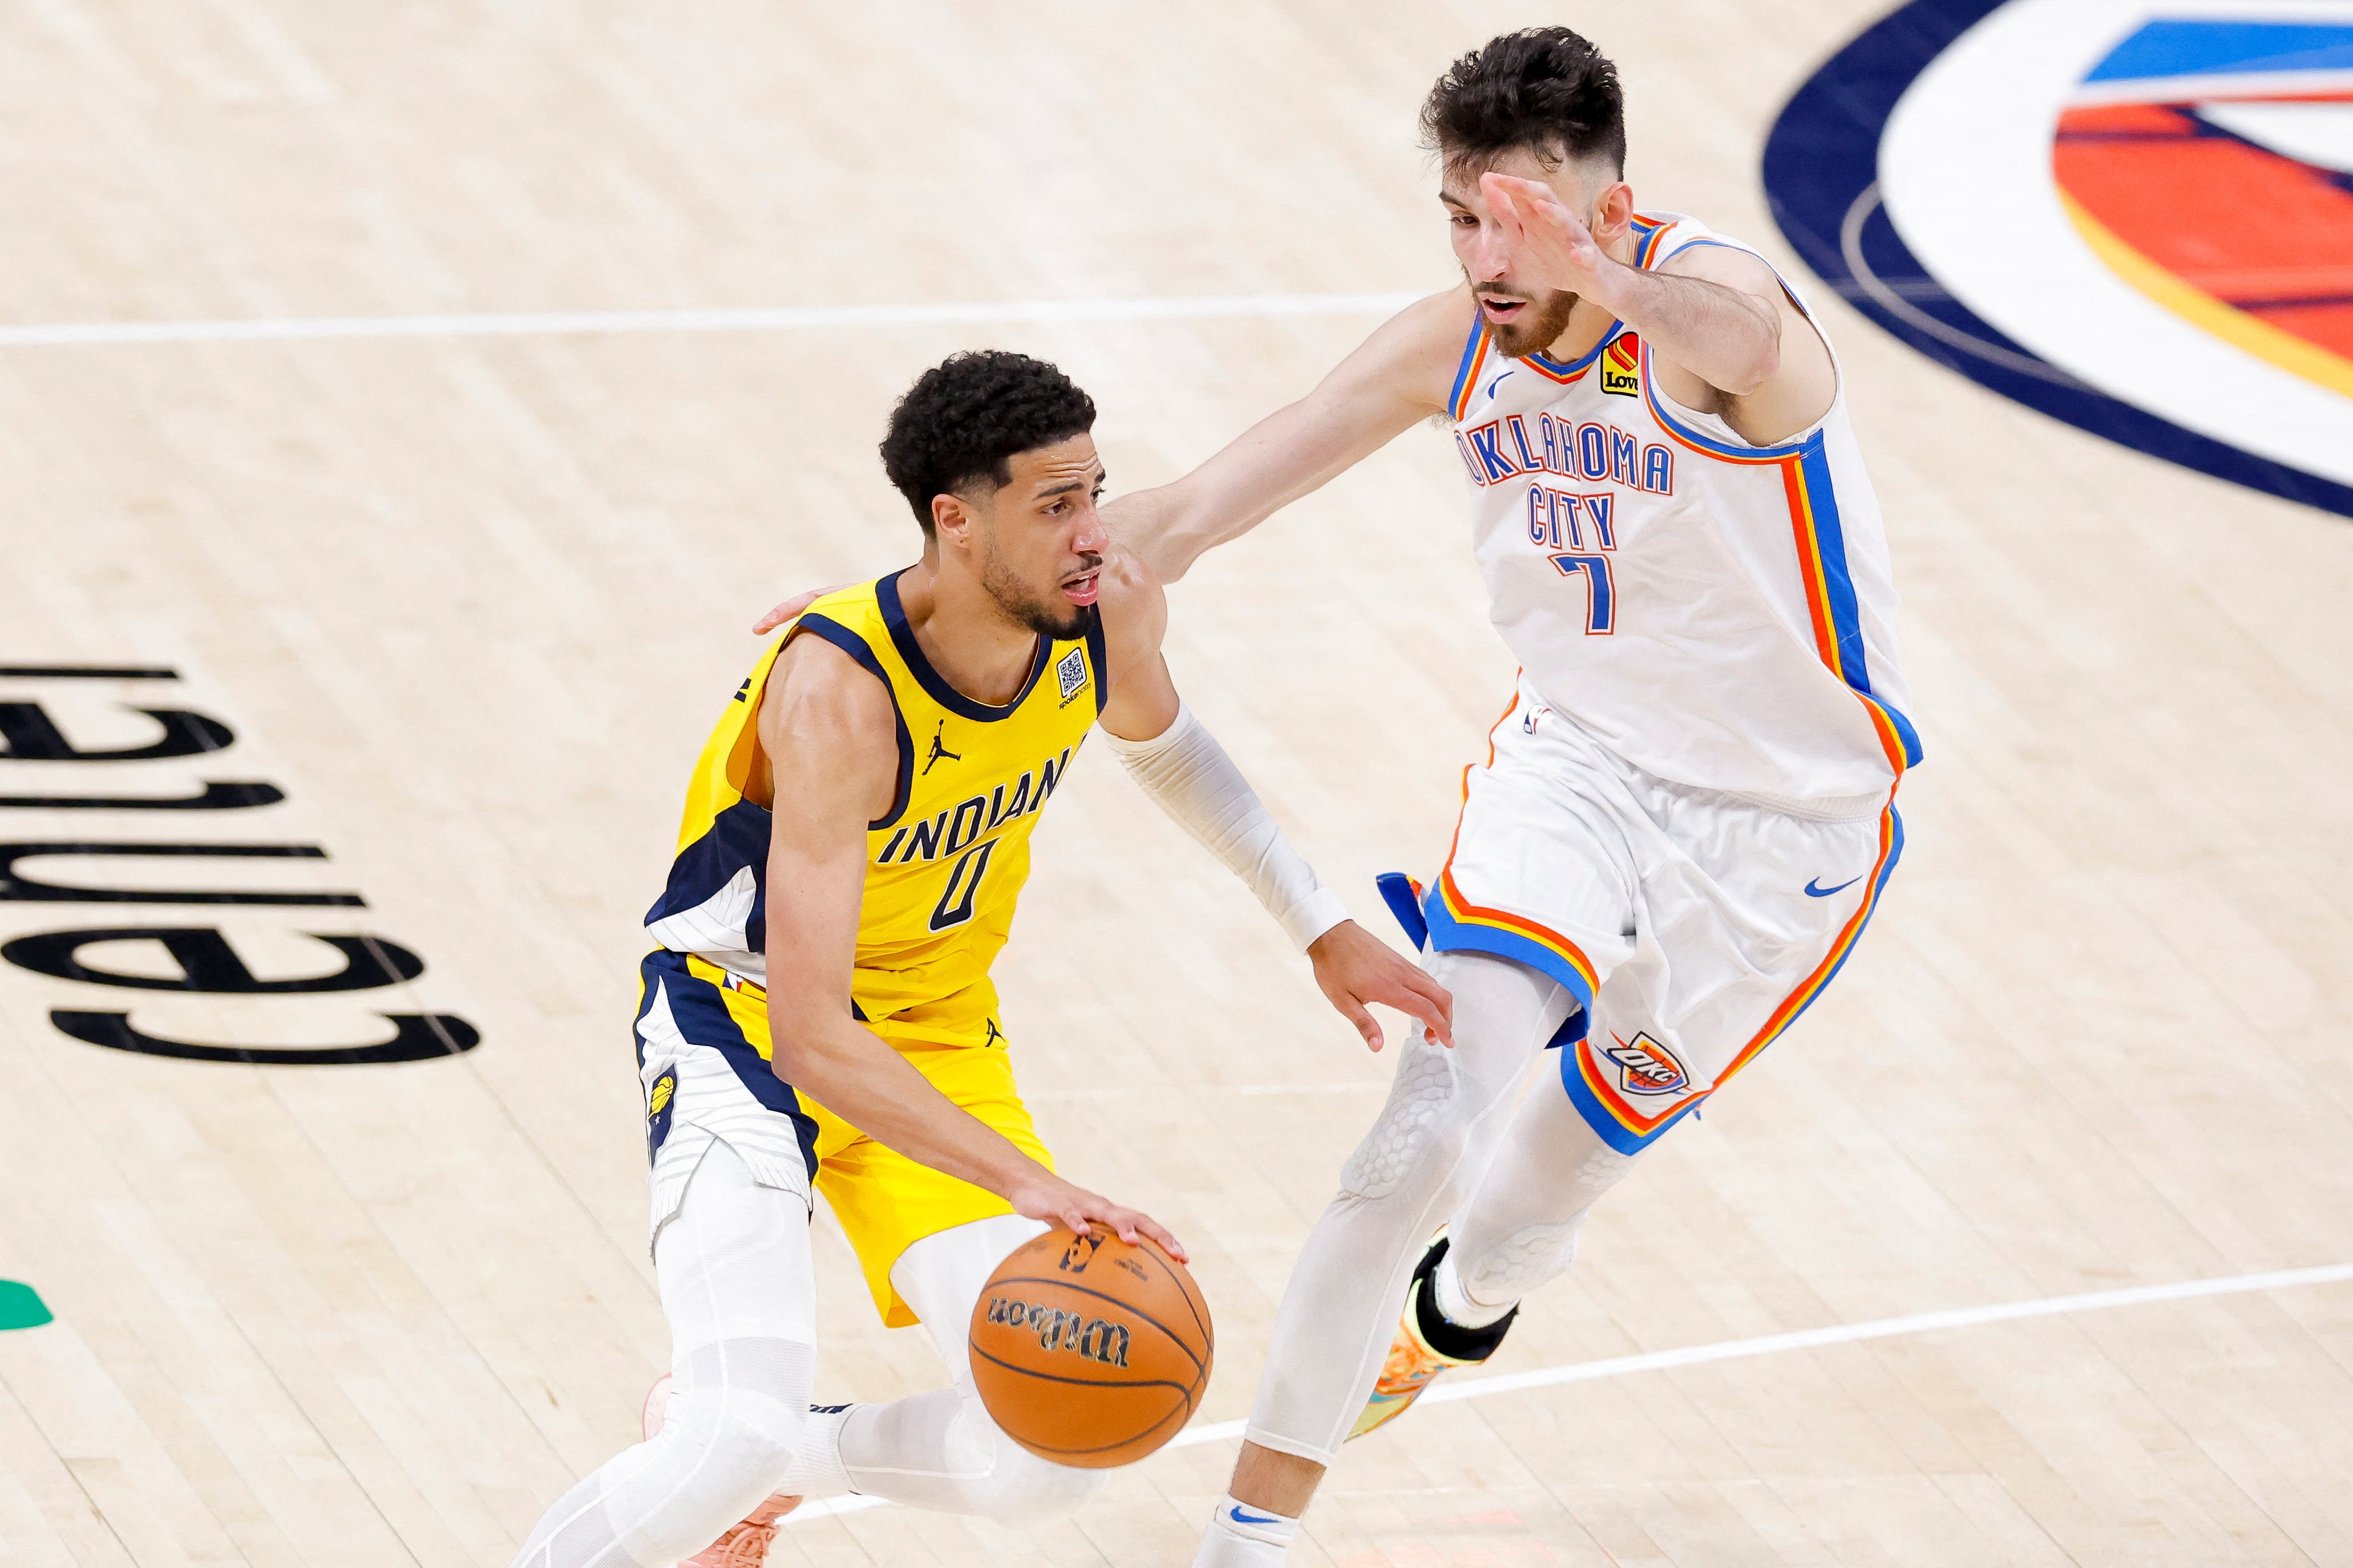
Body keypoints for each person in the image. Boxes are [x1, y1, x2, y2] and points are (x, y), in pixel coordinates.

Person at [764, 26, 1919, 1566]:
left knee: (1526, 1194)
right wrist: (898, 611)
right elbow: (1186, 511)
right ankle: (1252, 1536)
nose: (1479, 256)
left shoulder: (1716, 328)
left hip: (1783, 832)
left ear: (1604, 205)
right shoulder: (1455, 337)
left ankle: (1466, 1304)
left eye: (1512, 220)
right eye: (1456, 214)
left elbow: (1751, 333)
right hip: (1574, 773)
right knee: (1421, 1122)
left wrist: (1610, 269)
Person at [511, 350, 1449, 1568]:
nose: (1091, 532)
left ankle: (791, 1451)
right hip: (742, 1026)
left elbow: (1172, 729)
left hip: (935, 1032)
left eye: (1095, 493)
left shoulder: (1101, 602)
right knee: (727, 1432)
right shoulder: (837, 697)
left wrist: (1319, 924)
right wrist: (1028, 1181)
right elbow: (811, 1038)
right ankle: (741, 1444)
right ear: (955, 522)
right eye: (1054, 506)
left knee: (1056, 1445)